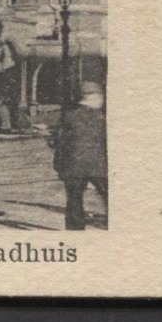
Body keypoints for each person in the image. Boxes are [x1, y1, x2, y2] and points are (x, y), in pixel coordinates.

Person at [54, 80, 109, 230]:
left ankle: (75, 232)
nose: (102, 100)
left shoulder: (69, 116)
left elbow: (58, 141)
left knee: (74, 200)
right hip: (100, 165)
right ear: (92, 97)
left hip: (73, 165)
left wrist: (59, 164)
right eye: (100, 96)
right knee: (109, 196)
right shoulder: (102, 118)